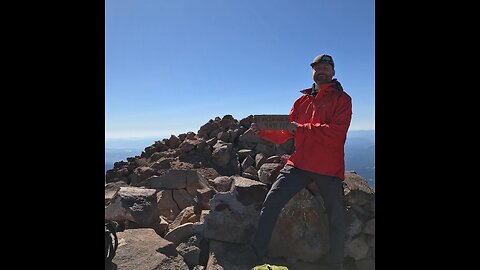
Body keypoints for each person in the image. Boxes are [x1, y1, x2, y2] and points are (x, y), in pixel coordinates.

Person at [249, 54, 352, 270]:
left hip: (328, 168)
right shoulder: (301, 101)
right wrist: (263, 132)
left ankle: (335, 263)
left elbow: (337, 133)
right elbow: (286, 132)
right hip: (298, 164)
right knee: (271, 203)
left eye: (326, 67)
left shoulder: (342, 99)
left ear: (333, 72)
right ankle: (256, 253)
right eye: (317, 67)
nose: (321, 71)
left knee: (336, 216)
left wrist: (302, 129)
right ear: (312, 71)